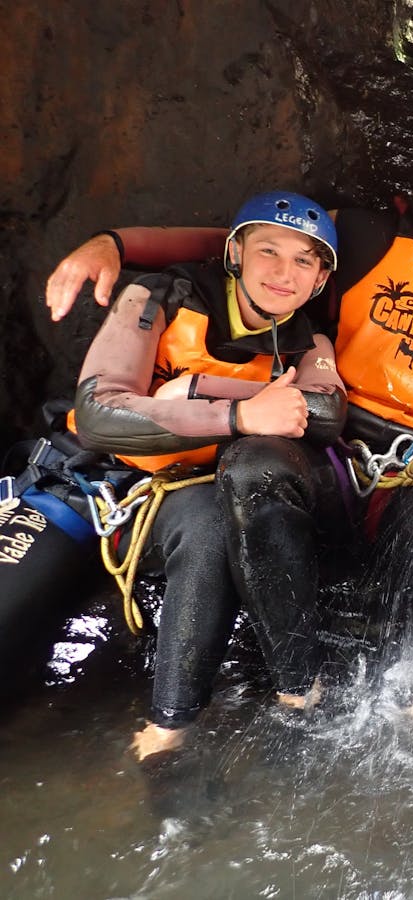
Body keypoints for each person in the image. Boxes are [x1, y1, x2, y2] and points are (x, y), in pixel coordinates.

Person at [47, 108, 413, 734]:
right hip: (331, 448)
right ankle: (300, 684)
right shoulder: (367, 236)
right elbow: (242, 240)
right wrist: (118, 244)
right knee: (253, 462)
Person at [71, 191, 343, 761]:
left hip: (196, 490)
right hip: (110, 478)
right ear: (235, 253)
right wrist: (238, 415)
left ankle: (173, 720)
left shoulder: (308, 338)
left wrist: (199, 390)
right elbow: (99, 412)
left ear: (319, 279)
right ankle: (172, 723)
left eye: (303, 260)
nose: (282, 272)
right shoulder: (157, 295)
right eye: (268, 250)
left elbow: (324, 413)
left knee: (212, 526)